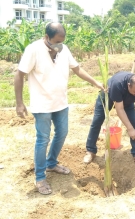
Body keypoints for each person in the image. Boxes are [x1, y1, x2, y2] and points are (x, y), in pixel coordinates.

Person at [14, 22, 104, 195]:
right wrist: (19, 102)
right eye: (56, 41)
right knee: (43, 139)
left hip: (60, 102)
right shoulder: (34, 50)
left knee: (62, 133)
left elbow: (77, 69)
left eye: (62, 41)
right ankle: (40, 177)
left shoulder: (64, 49)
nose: (59, 45)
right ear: (47, 37)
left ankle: (51, 163)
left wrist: (95, 82)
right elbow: (19, 75)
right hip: (42, 105)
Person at [83, 72, 135, 168]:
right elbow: (119, 109)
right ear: (129, 85)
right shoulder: (117, 84)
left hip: (127, 102)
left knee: (134, 125)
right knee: (97, 122)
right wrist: (129, 129)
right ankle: (90, 151)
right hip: (107, 97)